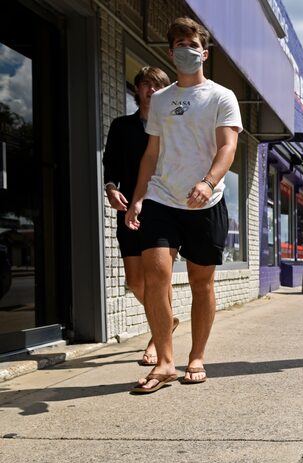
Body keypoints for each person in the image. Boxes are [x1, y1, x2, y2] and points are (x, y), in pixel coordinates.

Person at [125, 17, 242, 393]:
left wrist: (209, 182)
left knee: (201, 281)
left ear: (203, 52)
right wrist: (139, 197)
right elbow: (151, 153)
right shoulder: (160, 100)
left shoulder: (221, 96)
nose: (184, 50)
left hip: (207, 202)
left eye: (191, 44)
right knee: (155, 274)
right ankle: (164, 362)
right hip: (162, 197)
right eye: (177, 44)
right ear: (170, 51)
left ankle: (196, 356)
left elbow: (228, 146)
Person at [102, 66, 176, 367]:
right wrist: (110, 188)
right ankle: (167, 321)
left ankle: (158, 346)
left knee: (159, 277)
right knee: (135, 281)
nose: (151, 89)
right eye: (146, 84)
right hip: (132, 207)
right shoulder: (122, 126)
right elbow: (111, 163)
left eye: (158, 85)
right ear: (137, 91)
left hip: (163, 209)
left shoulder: (172, 126)